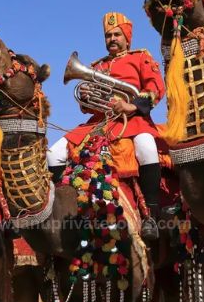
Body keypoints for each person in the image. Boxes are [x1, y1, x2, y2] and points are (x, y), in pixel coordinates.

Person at [47, 12, 166, 240]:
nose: (112, 39)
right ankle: (65, 210)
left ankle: (151, 215)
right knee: (53, 155)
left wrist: (132, 105)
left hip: (133, 120)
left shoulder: (141, 57)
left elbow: (156, 88)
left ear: (127, 37)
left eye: (117, 34)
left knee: (147, 148)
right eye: (108, 35)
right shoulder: (97, 66)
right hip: (99, 123)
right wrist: (84, 95)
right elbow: (88, 106)